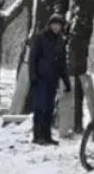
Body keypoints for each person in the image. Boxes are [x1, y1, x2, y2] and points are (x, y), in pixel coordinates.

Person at [29, 13, 71, 145]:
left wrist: (66, 81)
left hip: (53, 79)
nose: (56, 27)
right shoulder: (41, 38)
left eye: (59, 25)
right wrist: (33, 76)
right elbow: (33, 58)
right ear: (50, 24)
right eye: (54, 24)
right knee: (40, 108)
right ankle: (37, 136)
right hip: (40, 78)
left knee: (49, 108)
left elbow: (62, 63)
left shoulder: (60, 41)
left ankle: (47, 136)